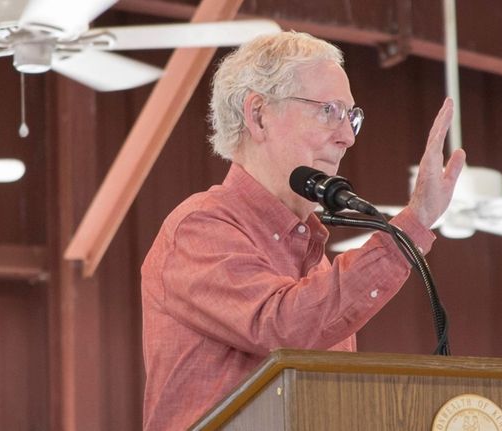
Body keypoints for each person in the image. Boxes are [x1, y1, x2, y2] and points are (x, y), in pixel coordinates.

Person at [140, 31, 465, 430]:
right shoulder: (200, 227)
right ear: (258, 114)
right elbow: (282, 328)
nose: (346, 137)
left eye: (351, 117)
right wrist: (413, 222)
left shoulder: (315, 261)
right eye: (329, 110)